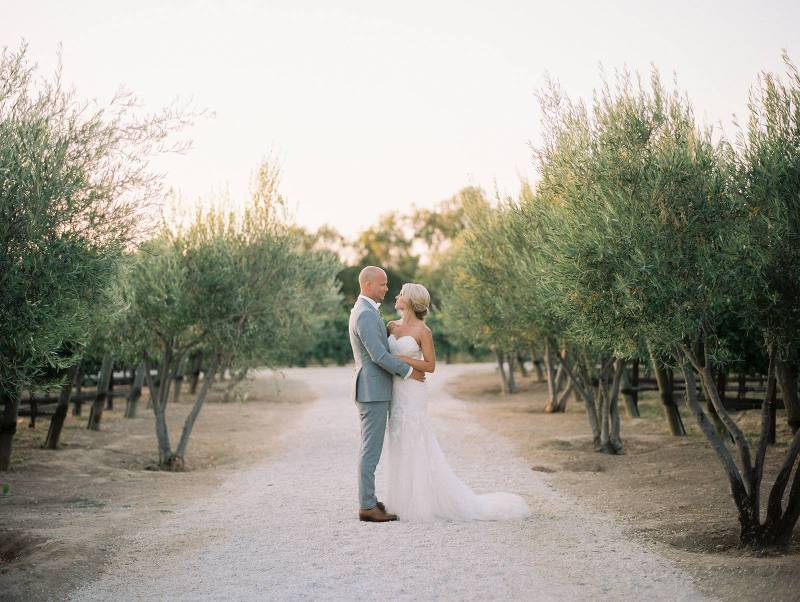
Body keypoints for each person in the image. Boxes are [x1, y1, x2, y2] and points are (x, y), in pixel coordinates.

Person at [383, 282, 531, 522]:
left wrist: (401, 359)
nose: (397, 297)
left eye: (401, 294)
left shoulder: (424, 331)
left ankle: (421, 503)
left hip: (413, 391)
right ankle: (400, 499)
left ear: (409, 301)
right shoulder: (390, 326)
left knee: (415, 438)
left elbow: (430, 366)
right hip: (396, 390)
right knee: (398, 437)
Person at [348, 266, 425, 522]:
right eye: (382, 284)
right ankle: (367, 506)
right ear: (368, 284)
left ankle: (369, 500)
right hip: (373, 391)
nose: (386, 289)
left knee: (370, 448)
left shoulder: (367, 311)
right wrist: (409, 372)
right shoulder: (366, 315)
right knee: (371, 450)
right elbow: (379, 356)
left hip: (374, 389)